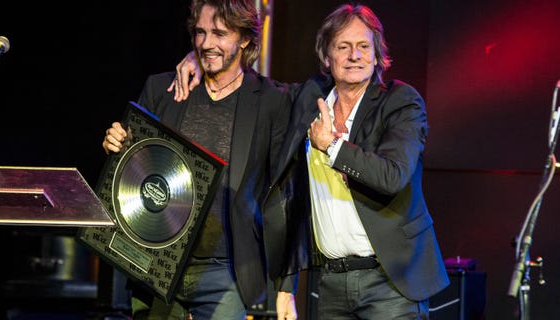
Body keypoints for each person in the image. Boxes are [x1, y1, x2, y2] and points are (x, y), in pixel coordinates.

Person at [172, 3, 450, 319]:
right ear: (327, 58)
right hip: (331, 282)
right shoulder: (309, 98)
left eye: (363, 47)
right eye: (343, 47)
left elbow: (392, 176)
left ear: (376, 55)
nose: (354, 56)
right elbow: (254, 86)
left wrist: (331, 146)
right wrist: (203, 57)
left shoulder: (400, 101)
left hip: (390, 281)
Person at [102, 0, 295, 319]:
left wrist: (288, 284)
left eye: (219, 33)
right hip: (157, 263)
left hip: (225, 270)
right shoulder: (163, 89)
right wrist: (116, 146)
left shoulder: (272, 101)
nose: (206, 43)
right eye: (201, 33)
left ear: (245, 38)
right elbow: (131, 174)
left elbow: (282, 197)